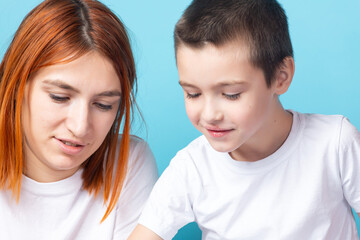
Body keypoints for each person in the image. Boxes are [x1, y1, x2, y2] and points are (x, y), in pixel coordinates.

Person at [128, 0, 360, 239]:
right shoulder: (192, 169)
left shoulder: (335, 144)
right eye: (193, 93)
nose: (209, 115)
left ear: (281, 77)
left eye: (231, 94)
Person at [0, 0, 158, 239]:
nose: (80, 126)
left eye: (103, 105)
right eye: (59, 97)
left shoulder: (128, 162)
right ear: (17, 86)